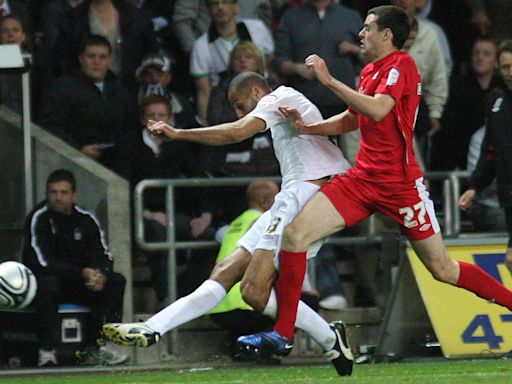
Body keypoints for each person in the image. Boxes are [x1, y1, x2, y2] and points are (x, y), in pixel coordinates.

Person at [238, 5, 512, 357]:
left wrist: (329, 80)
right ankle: (283, 333)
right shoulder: (369, 71)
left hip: (401, 186)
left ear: (387, 35)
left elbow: (379, 109)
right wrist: (309, 128)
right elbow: (353, 117)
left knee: (442, 269)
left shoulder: (403, 65)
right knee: (294, 235)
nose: (361, 34)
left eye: (367, 28)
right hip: (362, 180)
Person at [102, 71, 354, 377]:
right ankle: (152, 328)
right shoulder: (279, 109)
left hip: (312, 193)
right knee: (226, 272)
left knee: (253, 292)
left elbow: (236, 132)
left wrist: (180, 133)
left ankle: (328, 336)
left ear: (258, 91)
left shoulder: (281, 97)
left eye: (239, 104)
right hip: (292, 194)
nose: (238, 112)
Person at [22, 169, 127, 367]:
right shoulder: (39, 218)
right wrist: (81, 272)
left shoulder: (86, 219)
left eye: (63, 192)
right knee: (48, 284)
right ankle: (46, 351)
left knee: (116, 281)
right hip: (52, 282)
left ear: (73, 195)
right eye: (53, 192)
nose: (58, 197)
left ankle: (95, 347)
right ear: (47, 194)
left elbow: (104, 254)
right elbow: (43, 262)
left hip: (81, 283)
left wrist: (100, 275)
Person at [118, 94, 217, 302]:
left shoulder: (177, 144)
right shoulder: (128, 144)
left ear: (171, 120)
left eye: (161, 115)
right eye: (151, 115)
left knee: (210, 237)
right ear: (142, 119)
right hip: (140, 214)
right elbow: (120, 184)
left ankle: (186, 295)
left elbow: (199, 179)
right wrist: (148, 213)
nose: (156, 120)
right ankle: (166, 298)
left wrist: (206, 215)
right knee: (156, 233)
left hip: (174, 213)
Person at [38, 34, 138, 173]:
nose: (96, 62)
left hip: (115, 167)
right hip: (73, 165)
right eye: (91, 56)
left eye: (102, 57)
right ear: (80, 59)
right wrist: (78, 148)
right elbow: (50, 126)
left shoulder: (120, 91)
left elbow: (131, 128)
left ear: (109, 60)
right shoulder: (62, 88)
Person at [209, 179, 279, 360]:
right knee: (302, 302)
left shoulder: (235, 224)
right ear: (264, 202)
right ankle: (255, 348)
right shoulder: (265, 223)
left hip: (216, 304)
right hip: (244, 304)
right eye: (278, 198)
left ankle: (234, 342)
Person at [459, 39, 512, 271]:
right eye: (505, 67)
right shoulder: (497, 102)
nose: (510, 73)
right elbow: (490, 152)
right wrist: (474, 186)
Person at [189, 0, 274, 125]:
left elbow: (270, 62)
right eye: (214, 3)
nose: (220, 7)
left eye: (225, 2)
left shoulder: (258, 29)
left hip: (263, 100)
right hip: (227, 107)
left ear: (236, 7)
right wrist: (205, 128)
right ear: (208, 9)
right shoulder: (200, 46)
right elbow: (203, 91)